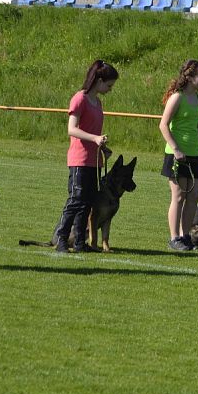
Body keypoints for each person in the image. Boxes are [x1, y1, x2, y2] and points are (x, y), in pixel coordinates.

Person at [53, 60, 118, 253]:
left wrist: (103, 147)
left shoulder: (97, 102)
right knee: (76, 200)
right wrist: (95, 138)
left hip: (93, 160)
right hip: (79, 160)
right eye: (109, 85)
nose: (109, 89)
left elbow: (92, 132)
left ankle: (81, 243)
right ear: (99, 80)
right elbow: (72, 129)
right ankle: (62, 239)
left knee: (88, 203)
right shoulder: (79, 99)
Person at [159, 60, 198, 252]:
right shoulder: (177, 98)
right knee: (178, 196)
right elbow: (163, 125)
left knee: (193, 196)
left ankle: (186, 237)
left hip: (194, 155)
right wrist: (176, 149)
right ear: (190, 77)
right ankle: (174, 238)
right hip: (177, 155)